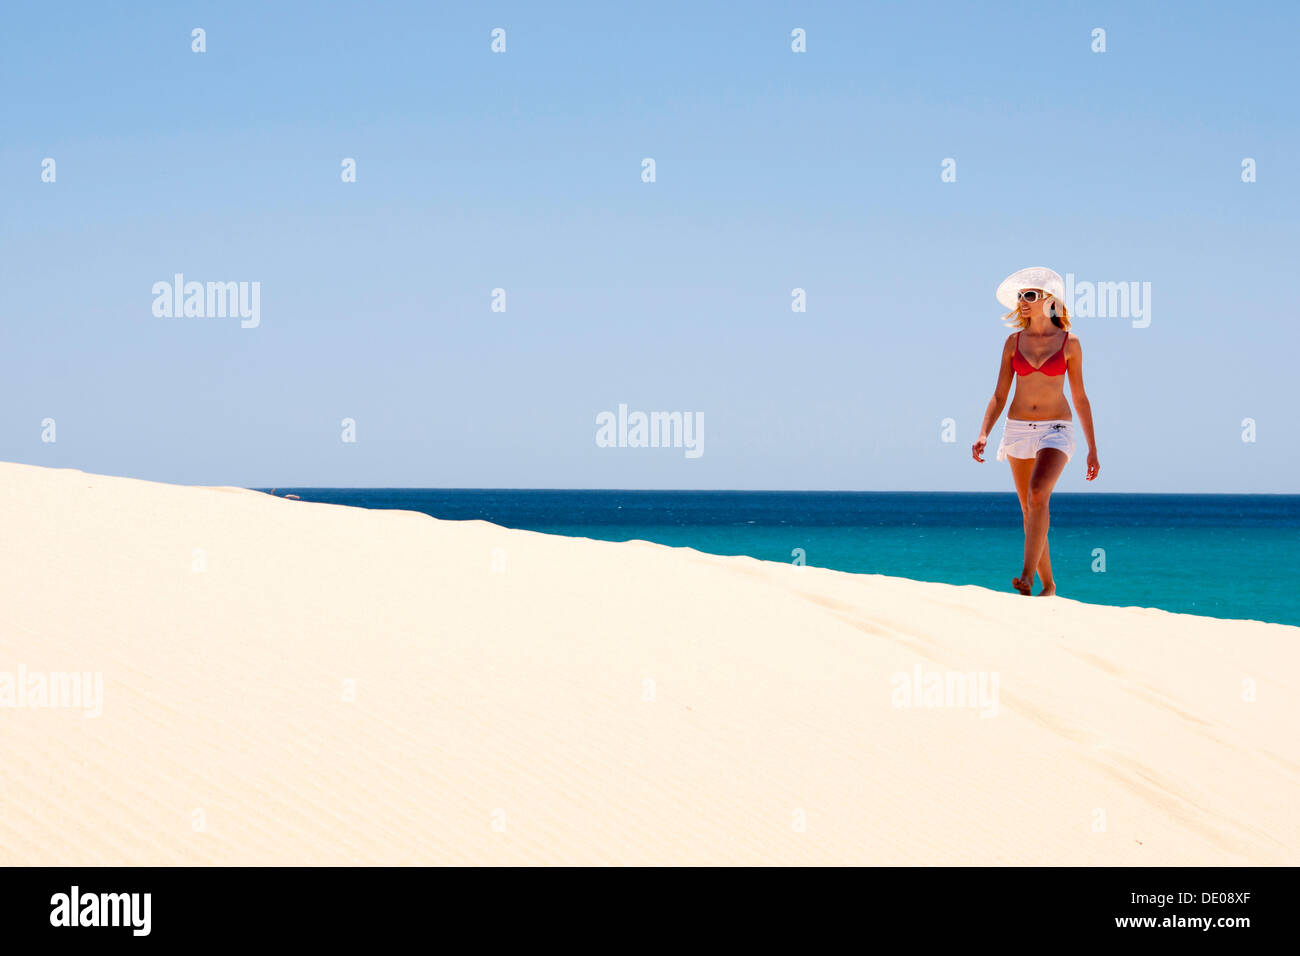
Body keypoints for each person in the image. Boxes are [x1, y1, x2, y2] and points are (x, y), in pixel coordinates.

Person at [972, 267, 1100, 596]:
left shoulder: (1069, 342)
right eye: (1020, 296)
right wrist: (984, 432)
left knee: (1039, 494)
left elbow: (1080, 397)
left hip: (1056, 428)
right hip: (1017, 430)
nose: (1023, 302)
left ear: (1048, 300)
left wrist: (1092, 448)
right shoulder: (1013, 342)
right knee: (1029, 509)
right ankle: (1049, 586)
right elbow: (999, 394)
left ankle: (1026, 576)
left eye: (1029, 295)